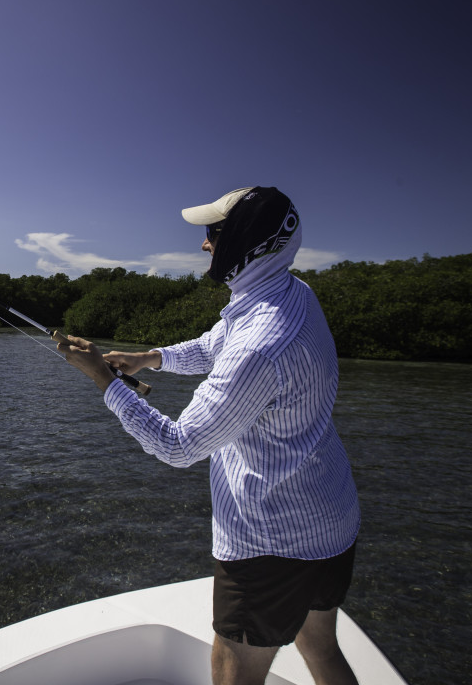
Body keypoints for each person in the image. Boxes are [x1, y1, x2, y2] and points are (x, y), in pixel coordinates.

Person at [59, 186, 361, 685]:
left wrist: (104, 380)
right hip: (330, 521)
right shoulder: (290, 294)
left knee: (233, 664)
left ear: (247, 242)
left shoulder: (261, 347)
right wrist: (148, 357)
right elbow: (214, 343)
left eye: (213, 234)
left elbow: (178, 446)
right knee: (320, 645)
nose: (204, 245)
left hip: (272, 543)